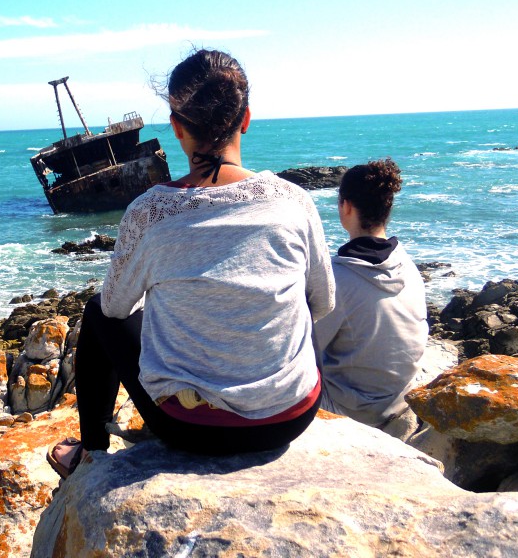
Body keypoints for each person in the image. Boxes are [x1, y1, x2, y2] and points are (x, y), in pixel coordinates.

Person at [48, 49, 335, 477]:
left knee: (95, 312)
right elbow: (322, 302)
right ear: (247, 118)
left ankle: (90, 454)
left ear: (177, 128)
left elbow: (114, 309)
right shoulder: (294, 200)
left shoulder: (150, 213)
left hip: (192, 428)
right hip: (291, 417)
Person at [313, 158, 428, 432]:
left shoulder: (338, 278)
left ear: (346, 206)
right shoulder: (406, 264)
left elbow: (303, 348)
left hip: (355, 410)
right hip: (401, 397)